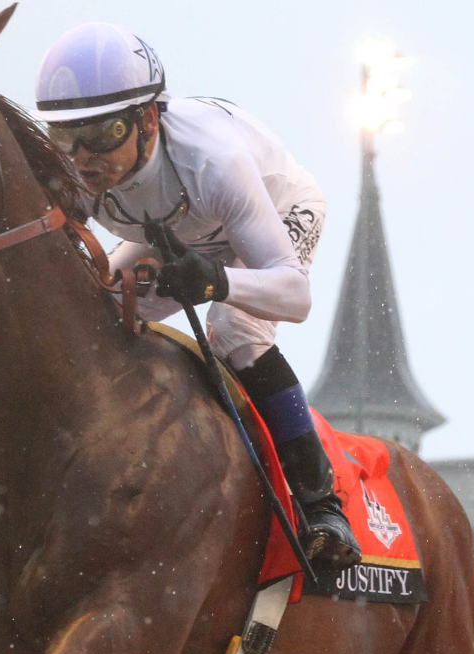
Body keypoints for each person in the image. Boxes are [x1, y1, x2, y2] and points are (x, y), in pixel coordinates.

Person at [34, 23, 361, 574]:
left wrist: (216, 282)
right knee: (94, 312)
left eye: (105, 132)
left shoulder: (216, 161)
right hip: (177, 225)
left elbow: (295, 296)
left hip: (271, 213)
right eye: (67, 136)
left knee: (235, 331)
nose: (84, 158)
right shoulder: (81, 166)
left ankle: (322, 506)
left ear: (148, 118)